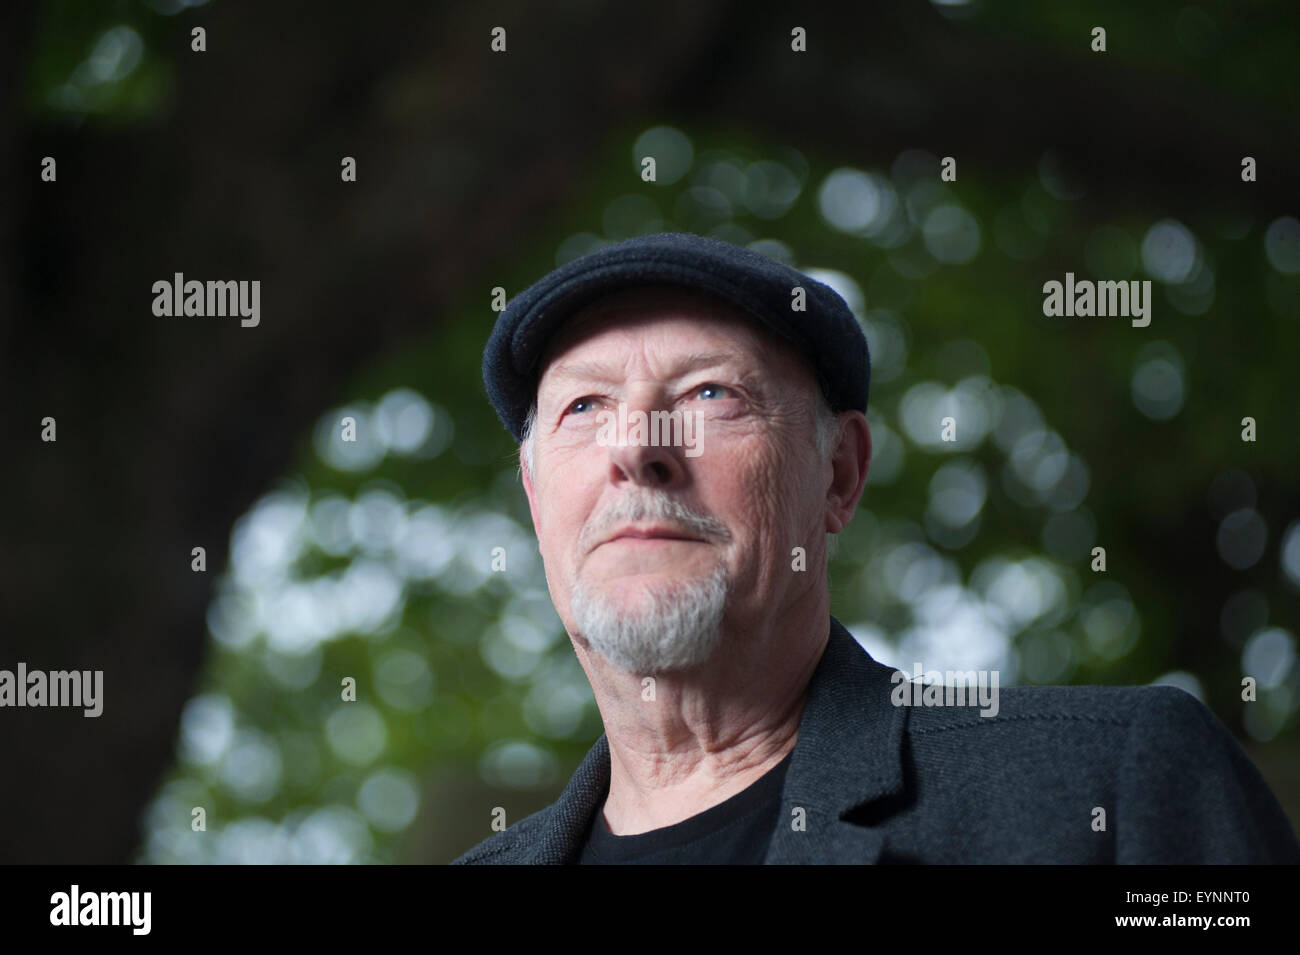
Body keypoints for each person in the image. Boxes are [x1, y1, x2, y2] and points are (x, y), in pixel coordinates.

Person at [455, 231, 1300, 864]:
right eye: (584, 408)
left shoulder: (1115, 786)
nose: (637, 446)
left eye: (710, 392)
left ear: (838, 475)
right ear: (536, 500)